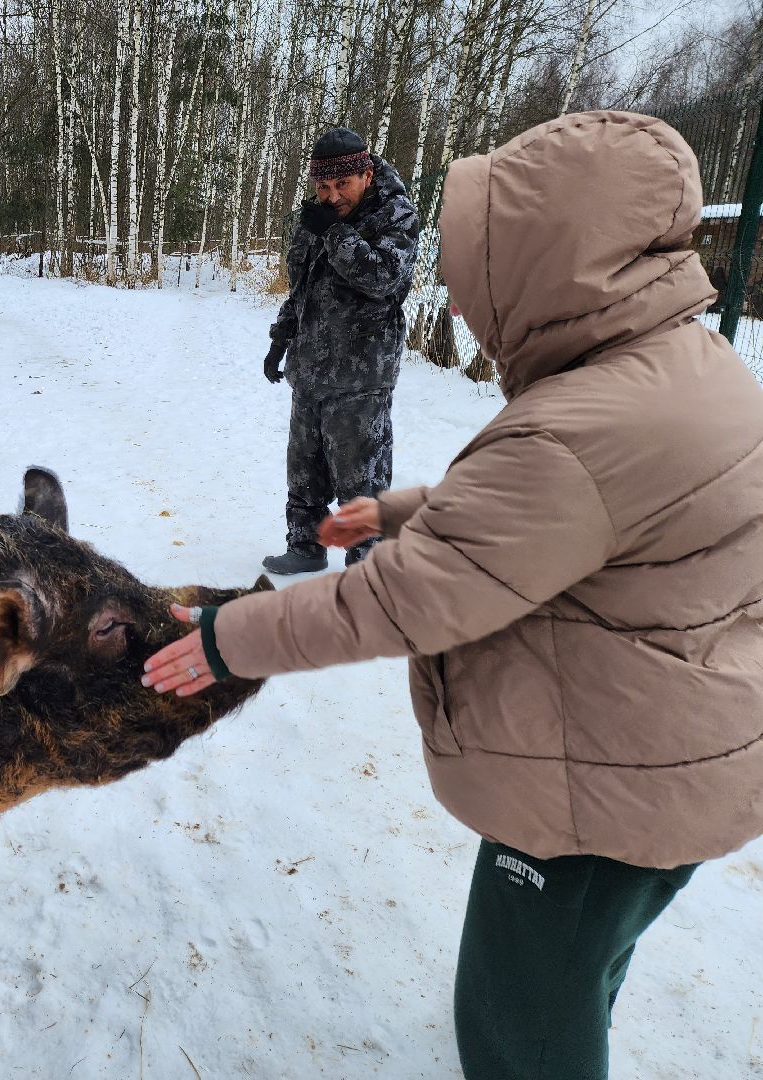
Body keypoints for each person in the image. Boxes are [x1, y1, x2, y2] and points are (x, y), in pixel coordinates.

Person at [144, 111, 763, 1079]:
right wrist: (401, 510)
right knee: (581, 970)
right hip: (665, 755)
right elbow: (579, 509)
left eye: (483, 275)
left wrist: (230, 638)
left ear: (553, 263)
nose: (466, 306)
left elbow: (406, 597)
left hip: (600, 791)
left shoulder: (579, 430)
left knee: (518, 1026)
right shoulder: (684, 370)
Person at [262, 126, 420, 575]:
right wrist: (280, 338)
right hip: (310, 367)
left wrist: (335, 233)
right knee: (303, 470)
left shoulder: (395, 214)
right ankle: (305, 546)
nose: (332, 196)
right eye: (323, 186)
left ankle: (367, 564)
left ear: (366, 175)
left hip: (362, 374)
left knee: (360, 479)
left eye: (342, 184)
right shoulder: (317, 217)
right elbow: (302, 286)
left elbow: (383, 278)